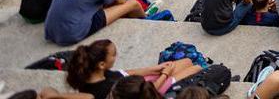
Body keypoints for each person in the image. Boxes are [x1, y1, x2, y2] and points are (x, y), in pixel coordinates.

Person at [66, 39, 201, 99]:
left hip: (138, 84)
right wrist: (164, 75)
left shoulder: (96, 73)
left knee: (187, 61)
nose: (116, 56)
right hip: (148, 91)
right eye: (113, 54)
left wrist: (155, 68)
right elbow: (145, 92)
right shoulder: (104, 90)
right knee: (196, 68)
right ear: (101, 64)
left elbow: (126, 73)